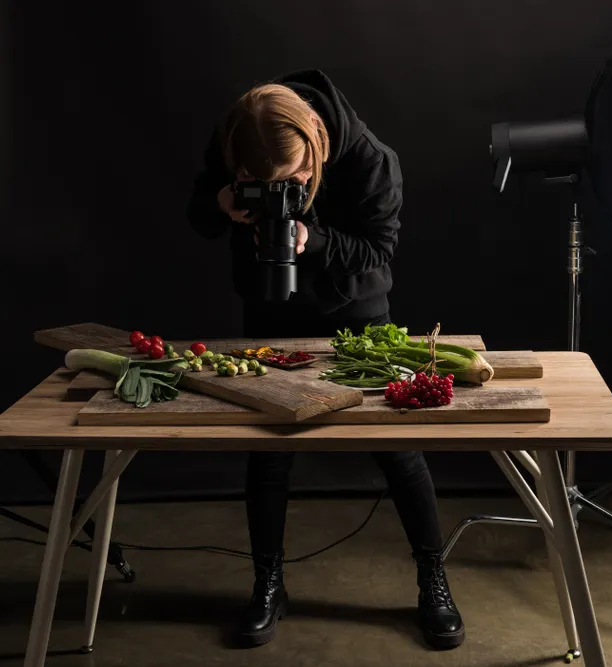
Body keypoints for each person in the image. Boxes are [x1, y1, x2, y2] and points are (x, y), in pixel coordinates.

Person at [186, 69, 464, 650]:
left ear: (315, 143)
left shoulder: (370, 161)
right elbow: (198, 217)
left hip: (357, 315)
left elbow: (380, 253)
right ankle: (268, 583)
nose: (276, 194)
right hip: (267, 309)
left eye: (291, 182)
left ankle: (432, 580)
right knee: (266, 452)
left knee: (399, 451)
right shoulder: (240, 139)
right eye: (256, 184)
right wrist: (219, 204)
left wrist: (314, 241)